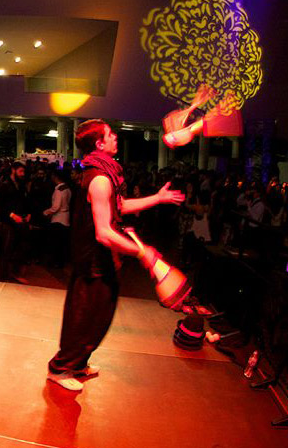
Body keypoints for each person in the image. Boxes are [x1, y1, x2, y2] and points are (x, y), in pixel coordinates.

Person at [47, 119, 184, 391]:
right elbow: (104, 233)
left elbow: (119, 205)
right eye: (110, 135)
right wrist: (141, 253)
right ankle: (60, 369)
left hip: (102, 259)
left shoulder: (105, 173)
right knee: (85, 316)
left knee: (99, 316)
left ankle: (78, 363)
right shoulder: (99, 179)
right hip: (93, 260)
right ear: (99, 144)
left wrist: (157, 198)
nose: (115, 138)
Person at [0, 161, 30, 282]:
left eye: (23, 172)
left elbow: (22, 202)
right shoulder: (5, 185)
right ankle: (4, 278)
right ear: (13, 170)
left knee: (18, 249)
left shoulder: (20, 185)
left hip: (19, 222)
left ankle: (14, 274)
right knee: (6, 251)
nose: (22, 174)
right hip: (7, 223)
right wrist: (11, 215)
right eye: (20, 171)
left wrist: (27, 214)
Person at [43, 168, 71, 269]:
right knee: (62, 242)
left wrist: (46, 212)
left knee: (56, 242)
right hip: (66, 217)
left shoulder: (59, 190)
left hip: (59, 219)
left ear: (55, 177)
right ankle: (61, 262)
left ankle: (56, 262)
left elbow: (56, 207)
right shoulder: (67, 188)